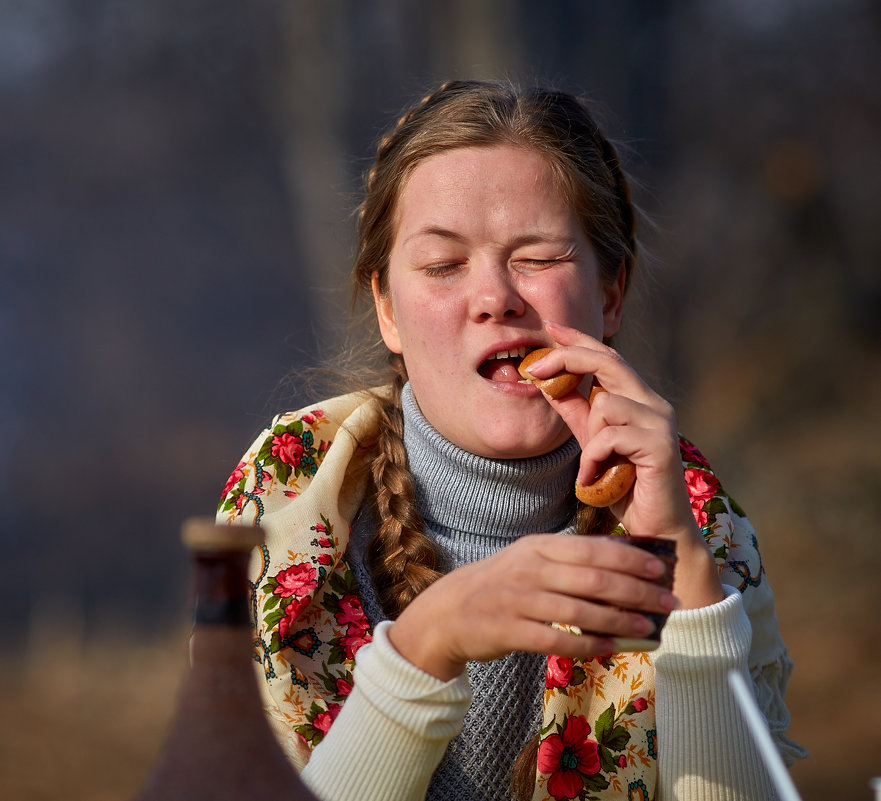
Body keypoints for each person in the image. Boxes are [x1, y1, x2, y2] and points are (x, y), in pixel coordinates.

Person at [217, 79, 806, 801]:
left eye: (539, 257)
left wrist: (679, 566)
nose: (494, 296)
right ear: (386, 310)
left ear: (611, 293)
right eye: (442, 265)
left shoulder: (702, 523)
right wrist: (423, 647)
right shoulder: (285, 500)